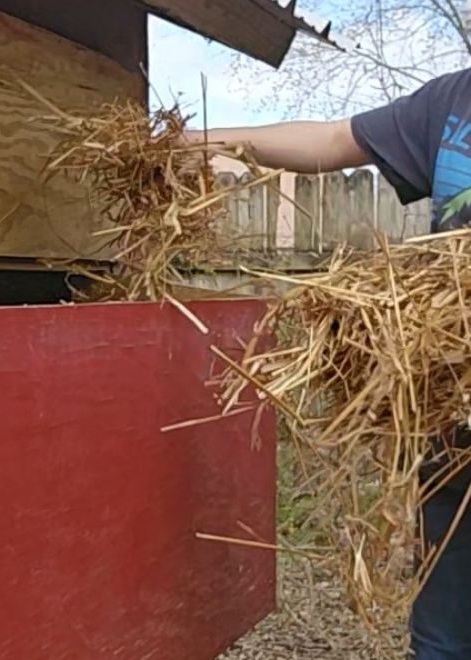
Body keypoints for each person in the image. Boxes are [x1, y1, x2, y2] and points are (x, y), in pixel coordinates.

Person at [187, 67, 471, 659]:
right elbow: (334, 140)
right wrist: (208, 140)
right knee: (443, 634)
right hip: (452, 420)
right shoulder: (455, 98)